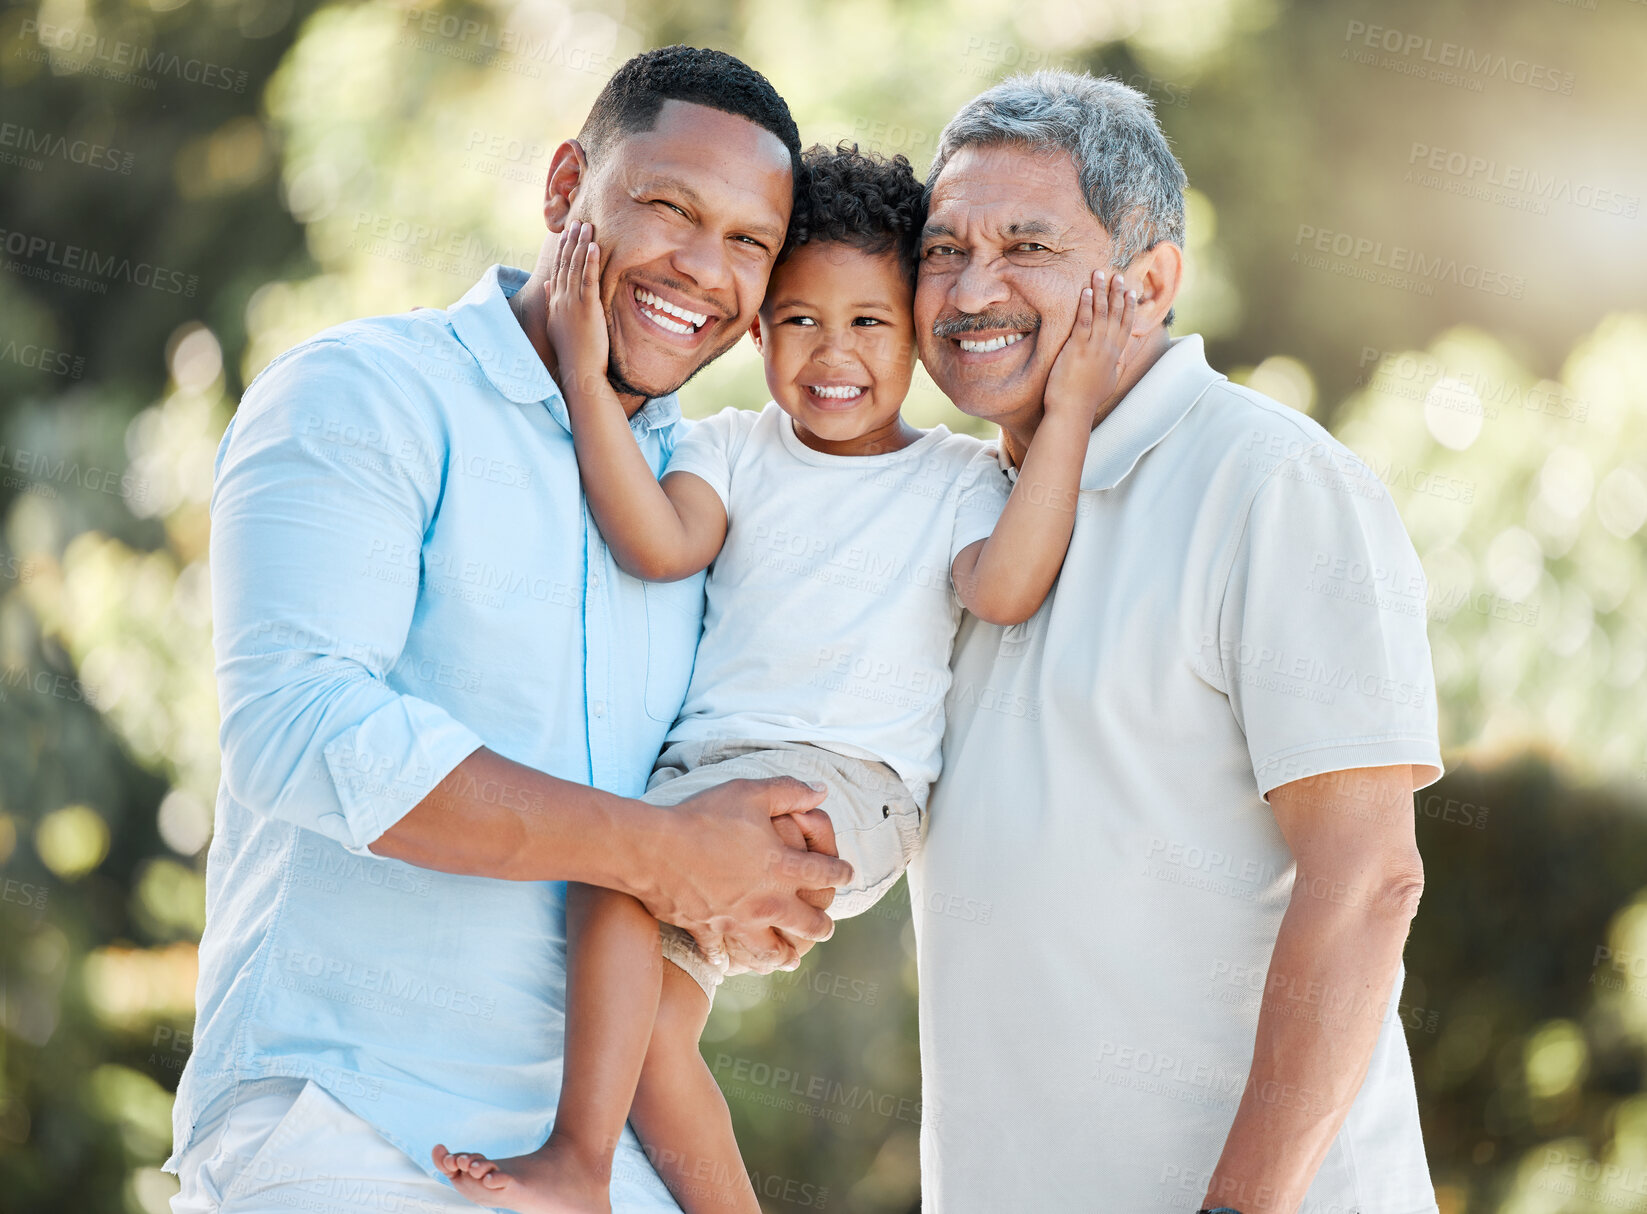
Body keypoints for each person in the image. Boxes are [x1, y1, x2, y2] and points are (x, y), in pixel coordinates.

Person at [167, 47, 858, 1214]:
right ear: (563, 190)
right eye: (670, 208)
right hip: (347, 1129)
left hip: (603, 1165)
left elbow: (734, 794)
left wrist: (763, 876)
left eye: (749, 243)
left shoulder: (705, 495)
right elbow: (297, 726)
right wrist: (663, 849)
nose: (705, 267)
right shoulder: (364, 393)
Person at [437, 143, 1135, 1214]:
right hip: (702, 783)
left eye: (871, 323)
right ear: (758, 331)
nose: (833, 353)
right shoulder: (731, 449)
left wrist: (1071, 413)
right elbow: (659, 545)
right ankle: (589, 1164)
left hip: (850, 788)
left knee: (620, 861)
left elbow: (1004, 588)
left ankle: (580, 1154)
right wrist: (583, 372)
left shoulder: (952, 477)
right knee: (651, 1008)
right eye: (801, 320)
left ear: (918, 335)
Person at [910, 72, 1446, 1213]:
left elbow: (1366, 880)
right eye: (942, 248)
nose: (971, 287)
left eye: (1027, 244)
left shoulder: (1272, 484)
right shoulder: (951, 515)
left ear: (1149, 282)